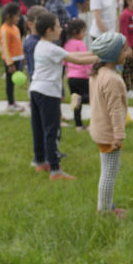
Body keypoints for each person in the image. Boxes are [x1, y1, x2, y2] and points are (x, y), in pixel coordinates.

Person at [29, 12, 97, 179]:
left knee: (38, 128)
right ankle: (55, 169)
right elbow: (77, 60)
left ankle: (40, 161)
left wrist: (94, 53)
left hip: (35, 90)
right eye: (58, 26)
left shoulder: (42, 45)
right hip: (48, 93)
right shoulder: (52, 48)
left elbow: (76, 55)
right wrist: (103, 57)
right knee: (51, 130)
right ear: (49, 30)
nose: (61, 28)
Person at [88, 31, 131, 219]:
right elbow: (115, 110)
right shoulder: (112, 79)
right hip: (109, 134)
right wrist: (118, 136)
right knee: (109, 174)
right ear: (114, 54)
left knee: (110, 169)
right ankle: (104, 211)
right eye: (124, 49)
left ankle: (106, 205)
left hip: (99, 129)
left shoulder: (99, 73)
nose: (128, 52)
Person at [64, 18, 91, 131]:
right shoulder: (80, 44)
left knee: (76, 102)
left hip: (71, 77)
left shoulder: (66, 43)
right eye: (84, 31)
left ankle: (78, 125)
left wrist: (66, 72)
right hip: (82, 77)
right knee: (91, 98)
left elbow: (64, 60)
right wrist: (91, 72)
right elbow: (86, 59)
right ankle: (95, 123)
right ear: (76, 32)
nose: (85, 34)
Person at [0, 3, 25, 112]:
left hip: (18, 59)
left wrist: (23, 58)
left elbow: (18, 44)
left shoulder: (15, 28)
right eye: (17, 16)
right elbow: (5, 48)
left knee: (13, 83)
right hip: (11, 62)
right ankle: (10, 104)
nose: (19, 18)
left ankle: (13, 102)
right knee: (9, 83)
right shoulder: (5, 30)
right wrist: (10, 64)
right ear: (8, 16)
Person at [23, 6, 46, 82]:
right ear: (30, 24)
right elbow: (33, 68)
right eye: (40, 22)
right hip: (38, 83)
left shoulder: (43, 39)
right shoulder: (32, 43)